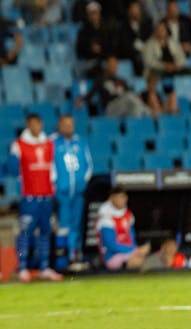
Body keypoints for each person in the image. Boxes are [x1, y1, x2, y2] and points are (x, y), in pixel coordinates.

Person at [11, 114, 62, 282]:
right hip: (29, 196)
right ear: (28, 125)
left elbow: (53, 169)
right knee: (25, 232)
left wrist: (53, 187)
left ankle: (44, 267)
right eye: (33, 124)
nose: (36, 127)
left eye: (39, 124)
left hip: (46, 195)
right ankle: (23, 268)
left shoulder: (49, 144)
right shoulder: (18, 145)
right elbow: (13, 170)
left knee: (46, 232)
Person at [52, 114, 92, 270]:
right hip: (61, 192)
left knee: (76, 224)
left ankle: (76, 255)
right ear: (59, 125)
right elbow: (50, 165)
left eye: (71, 124)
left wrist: (83, 181)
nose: (69, 127)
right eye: (65, 124)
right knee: (64, 224)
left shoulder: (80, 142)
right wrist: (55, 183)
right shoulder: (52, 143)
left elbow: (89, 164)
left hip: (78, 192)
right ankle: (64, 257)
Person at [96, 186, 151, 271]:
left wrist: (137, 250)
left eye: (123, 197)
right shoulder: (106, 217)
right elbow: (110, 245)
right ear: (111, 198)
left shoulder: (128, 215)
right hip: (112, 256)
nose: (121, 200)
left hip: (130, 253)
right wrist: (134, 251)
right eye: (118, 197)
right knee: (137, 262)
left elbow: (131, 238)